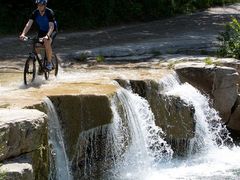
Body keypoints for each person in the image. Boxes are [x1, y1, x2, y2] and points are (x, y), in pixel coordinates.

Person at [20, 0, 57, 70]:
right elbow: (29, 24)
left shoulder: (49, 12)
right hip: (42, 30)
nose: (39, 7)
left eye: (41, 5)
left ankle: (49, 63)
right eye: (38, 5)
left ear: (45, 5)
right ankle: (41, 61)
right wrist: (23, 34)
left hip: (51, 31)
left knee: (46, 42)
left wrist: (47, 36)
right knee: (36, 44)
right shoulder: (35, 13)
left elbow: (51, 26)